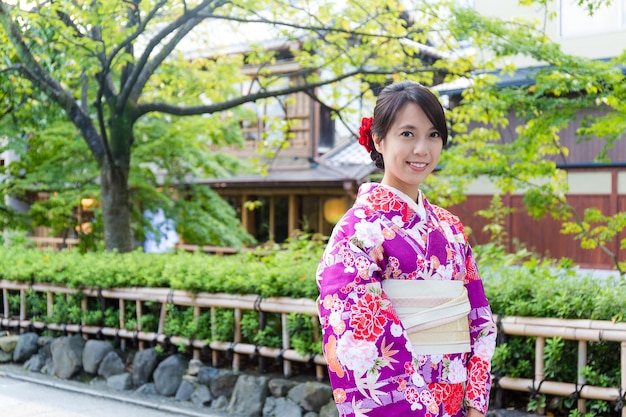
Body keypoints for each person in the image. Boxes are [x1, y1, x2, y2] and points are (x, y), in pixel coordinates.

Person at [316, 80, 497, 417]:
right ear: (378, 140)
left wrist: (475, 404)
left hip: (459, 406)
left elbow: (480, 320)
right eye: (408, 134)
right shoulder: (357, 232)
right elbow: (358, 333)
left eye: (433, 135)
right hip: (405, 407)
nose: (422, 150)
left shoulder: (452, 229)